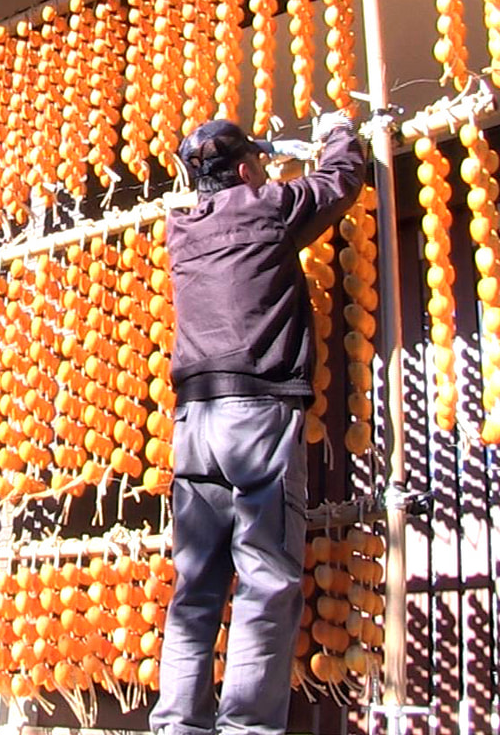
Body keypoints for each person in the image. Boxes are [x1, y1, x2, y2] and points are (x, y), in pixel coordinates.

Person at [150, 113, 365, 735]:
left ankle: (178, 725)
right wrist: (339, 131)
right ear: (246, 169)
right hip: (257, 417)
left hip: (194, 423)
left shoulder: (180, 229)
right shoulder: (265, 210)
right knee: (266, 580)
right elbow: (340, 182)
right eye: (261, 164)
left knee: (195, 586)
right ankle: (246, 728)